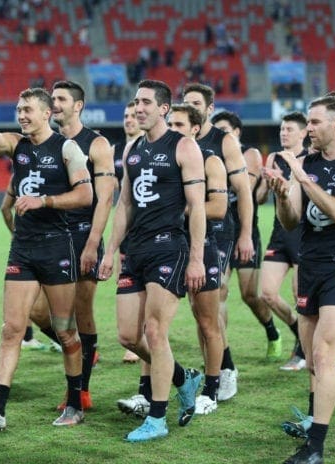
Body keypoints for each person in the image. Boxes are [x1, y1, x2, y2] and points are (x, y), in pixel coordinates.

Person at [0, 63, 93, 430]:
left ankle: (75, 402)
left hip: (59, 248)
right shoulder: (17, 145)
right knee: (11, 328)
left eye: (28, 110)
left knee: (65, 330)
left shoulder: (68, 148)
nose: (21, 115)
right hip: (24, 251)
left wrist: (44, 201)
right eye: (19, 110)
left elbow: (85, 194)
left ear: (47, 113)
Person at [266, 96, 335, 463]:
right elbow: (291, 221)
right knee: (316, 365)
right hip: (310, 264)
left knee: (323, 356)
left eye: (314, 123)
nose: (308, 129)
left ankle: (314, 448)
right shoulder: (306, 163)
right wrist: (283, 195)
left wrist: (301, 179)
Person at [99, 79, 206, 442]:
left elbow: (196, 207)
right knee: (128, 336)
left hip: (169, 248)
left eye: (145, 102)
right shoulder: (132, 148)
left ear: (163, 108)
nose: (138, 107)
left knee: (155, 332)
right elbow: (125, 203)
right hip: (136, 250)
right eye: (135, 101)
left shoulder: (185, 146)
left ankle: (157, 418)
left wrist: (196, 259)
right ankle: (183, 378)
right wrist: (111, 250)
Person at [45, 80, 116, 410]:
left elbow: (104, 200)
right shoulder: (48, 142)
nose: (55, 103)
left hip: (83, 234)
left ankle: (80, 390)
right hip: (50, 238)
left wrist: (92, 244)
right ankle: (84, 352)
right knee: (38, 313)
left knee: (83, 312)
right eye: (53, 98)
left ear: (78, 106)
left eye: (61, 99)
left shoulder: (96, 144)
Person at [182, 83, 254, 402]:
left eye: (196, 103)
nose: (191, 107)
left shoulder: (223, 142)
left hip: (220, 229)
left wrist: (246, 234)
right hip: (186, 231)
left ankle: (225, 370)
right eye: (186, 103)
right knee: (198, 306)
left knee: (215, 298)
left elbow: (244, 191)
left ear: (210, 108)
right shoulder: (179, 142)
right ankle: (214, 364)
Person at [167, 104, 227, 416]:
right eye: (170, 123)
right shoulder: (159, 157)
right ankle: (151, 390)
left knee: (207, 322)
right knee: (151, 326)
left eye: (179, 124)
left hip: (200, 246)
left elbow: (218, 207)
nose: (173, 128)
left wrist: (172, 208)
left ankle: (212, 390)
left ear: (195, 129)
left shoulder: (210, 160)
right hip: (162, 247)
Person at [212, 110, 283, 362]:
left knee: (249, 295)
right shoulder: (212, 156)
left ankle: (272, 332)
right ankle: (219, 348)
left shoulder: (249, 154)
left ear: (237, 132)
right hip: (219, 233)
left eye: (225, 129)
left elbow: (246, 187)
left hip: (246, 231)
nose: (221, 135)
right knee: (217, 289)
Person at [257, 112, 308, 371]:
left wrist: (285, 182)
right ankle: (299, 330)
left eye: (289, 129)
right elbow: (260, 198)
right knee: (267, 293)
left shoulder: (309, 160)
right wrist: (267, 182)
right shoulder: (274, 158)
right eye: (281, 129)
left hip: (302, 235)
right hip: (279, 234)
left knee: (301, 297)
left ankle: (303, 351)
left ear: (303, 133)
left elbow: (304, 192)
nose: (283, 133)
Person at [0, 176, 57, 352]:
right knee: (50, 308)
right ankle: (70, 342)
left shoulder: (19, 174)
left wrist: (16, 233)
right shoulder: (56, 170)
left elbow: (5, 209)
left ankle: (72, 342)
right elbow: (4, 209)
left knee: (47, 309)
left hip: (52, 246)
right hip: (52, 246)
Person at [115, 101, 144, 364]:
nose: (129, 120)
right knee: (125, 282)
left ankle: (140, 336)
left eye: (134, 116)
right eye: (125, 116)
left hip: (146, 228)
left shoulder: (148, 149)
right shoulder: (118, 152)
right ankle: (136, 333)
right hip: (125, 229)